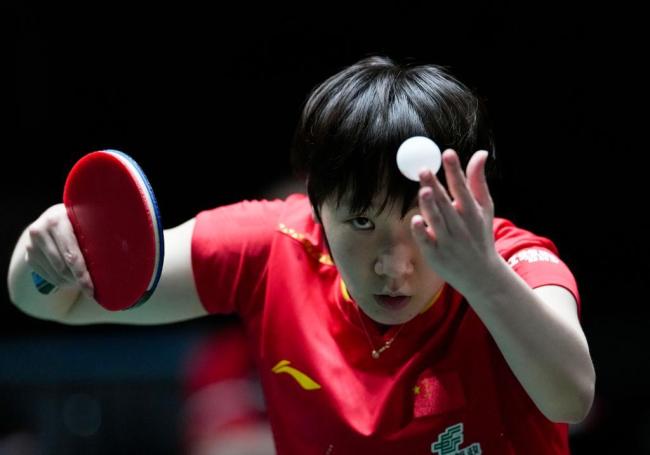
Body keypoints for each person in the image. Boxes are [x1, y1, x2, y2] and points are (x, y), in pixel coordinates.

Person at [8, 55, 595, 454]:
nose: (393, 266)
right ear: (315, 200)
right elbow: (55, 302)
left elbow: (571, 395)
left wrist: (483, 278)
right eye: (361, 222)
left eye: (421, 227)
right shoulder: (271, 248)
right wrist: (44, 260)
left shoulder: (509, 263)